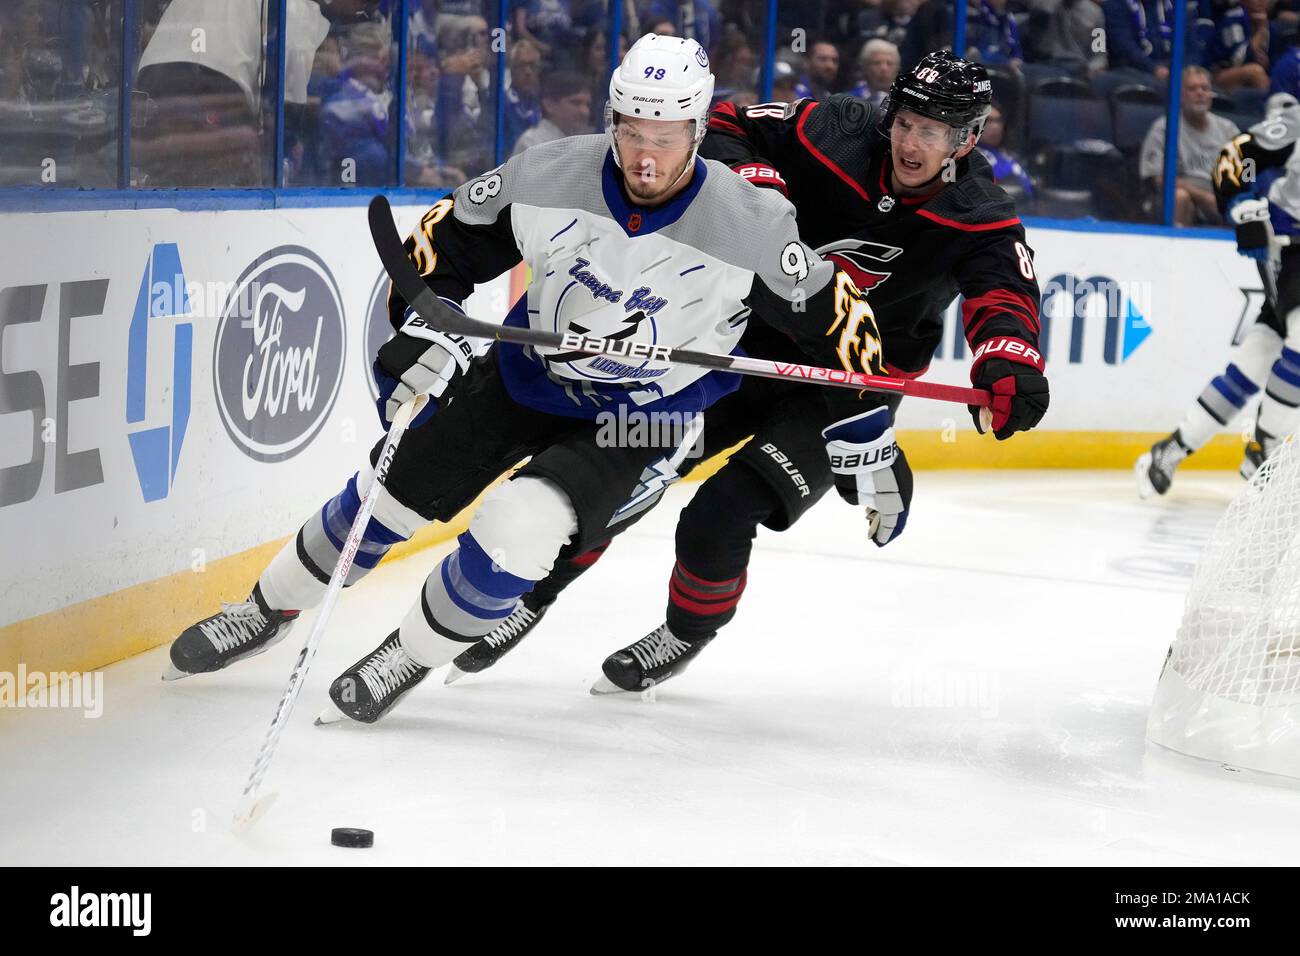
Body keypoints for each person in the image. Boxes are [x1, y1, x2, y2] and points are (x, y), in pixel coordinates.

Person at [162, 36, 890, 725]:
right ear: (612, 119)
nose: (646, 154)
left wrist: (860, 419)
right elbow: (438, 248)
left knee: (520, 530)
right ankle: (266, 609)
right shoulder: (548, 173)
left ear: (699, 131)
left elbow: (844, 328)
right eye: (633, 130)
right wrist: (417, 326)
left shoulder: (752, 227)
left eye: (666, 137)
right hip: (527, 373)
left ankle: (408, 655)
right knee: (382, 503)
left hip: (645, 414)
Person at [449, 51, 1049, 694]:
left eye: (930, 132)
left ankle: (684, 633)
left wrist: (1010, 361)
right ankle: (531, 596)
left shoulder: (982, 214)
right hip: (739, 352)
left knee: (722, 511)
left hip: (844, 391)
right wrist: (756, 181)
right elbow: (729, 120)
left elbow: (1005, 298)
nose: (909, 141)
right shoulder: (835, 128)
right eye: (904, 121)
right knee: (624, 465)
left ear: (965, 138)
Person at [1138, 92, 1300, 495]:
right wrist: (1240, 204)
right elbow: (1236, 154)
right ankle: (1264, 452)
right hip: (1290, 239)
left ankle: (1173, 448)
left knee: (1259, 356)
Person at [1140, 65, 1240, 225]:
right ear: (1180, 95)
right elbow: (1159, 180)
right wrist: (1203, 197)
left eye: (1204, 88)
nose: (1200, 93)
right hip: (1183, 197)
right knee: (1180, 197)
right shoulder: (1164, 128)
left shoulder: (1228, 129)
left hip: (1218, 197)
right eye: (1192, 89)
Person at [510, 71, 592, 155]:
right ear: (549, 105)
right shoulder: (533, 142)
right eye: (575, 103)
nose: (585, 112)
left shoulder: (583, 143)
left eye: (588, 105)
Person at [849, 38, 901, 107]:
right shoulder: (849, 100)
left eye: (889, 63)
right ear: (864, 67)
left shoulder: (906, 102)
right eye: (877, 63)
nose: (884, 68)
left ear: (897, 69)